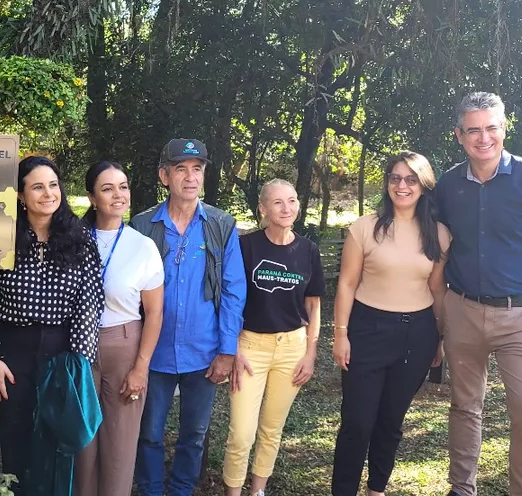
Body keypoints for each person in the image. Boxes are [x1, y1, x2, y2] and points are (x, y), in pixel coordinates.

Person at [436, 93, 522, 496]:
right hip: (462, 310)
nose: (484, 137)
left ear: (504, 128)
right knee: (464, 406)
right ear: (459, 136)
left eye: (492, 127)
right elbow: (440, 243)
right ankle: (461, 488)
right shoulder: (448, 185)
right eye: (474, 129)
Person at [0, 155, 105, 496]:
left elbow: (89, 300)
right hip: (11, 352)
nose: (48, 194)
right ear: (20, 196)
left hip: (60, 350)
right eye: (37, 187)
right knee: (16, 439)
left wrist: (76, 363)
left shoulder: (78, 237)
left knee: (56, 443)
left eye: (53, 185)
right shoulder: (2, 239)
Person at [131, 138, 247, 496]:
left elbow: (233, 290)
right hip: (155, 353)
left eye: (197, 169)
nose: (191, 177)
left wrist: (227, 350)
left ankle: (181, 490)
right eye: (181, 168)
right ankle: (150, 490)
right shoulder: (142, 226)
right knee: (148, 432)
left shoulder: (220, 224)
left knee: (194, 434)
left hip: (204, 351)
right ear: (164, 176)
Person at [331, 151, 450, 496]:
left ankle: (377, 489)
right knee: (357, 422)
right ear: (387, 184)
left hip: (418, 334)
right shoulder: (364, 227)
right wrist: (341, 335)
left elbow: (437, 288)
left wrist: (440, 338)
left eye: (411, 179)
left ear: (424, 186)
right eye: (395, 178)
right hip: (367, 330)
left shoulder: (440, 235)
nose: (402, 185)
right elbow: (347, 284)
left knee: (390, 423)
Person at [223, 179, 325, 496]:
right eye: (277, 202)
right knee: (241, 432)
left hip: (292, 347)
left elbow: (313, 305)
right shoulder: (245, 246)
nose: (286, 208)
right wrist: (233, 347)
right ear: (263, 208)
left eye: (292, 200)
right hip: (250, 346)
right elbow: (230, 297)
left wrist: (310, 353)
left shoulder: (308, 250)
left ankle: (258, 490)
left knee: (271, 429)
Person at [75, 161, 164, 496]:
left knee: (119, 447)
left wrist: (140, 367)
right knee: (81, 444)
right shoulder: (73, 239)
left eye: (123, 186)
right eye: (107, 188)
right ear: (92, 197)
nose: (118, 195)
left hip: (123, 346)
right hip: (78, 347)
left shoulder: (142, 247)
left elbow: (154, 313)